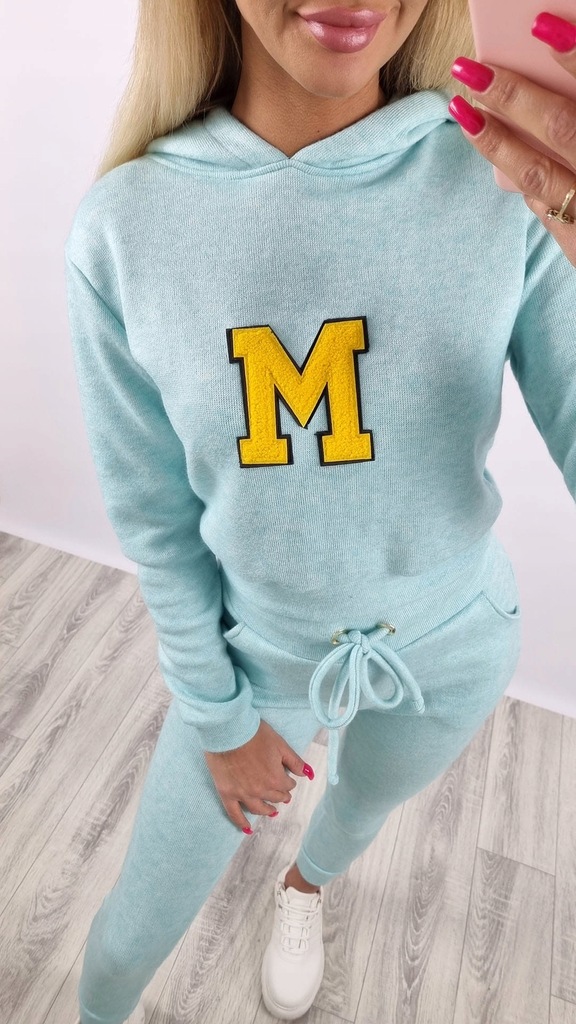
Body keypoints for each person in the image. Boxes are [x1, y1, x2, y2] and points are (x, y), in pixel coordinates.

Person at [64, 2, 576, 1022]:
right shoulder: (125, 226)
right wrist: (219, 718)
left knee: (361, 807)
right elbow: (155, 520)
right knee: (130, 933)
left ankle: (304, 890)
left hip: (458, 641)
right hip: (258, 661)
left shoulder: (505, 172)